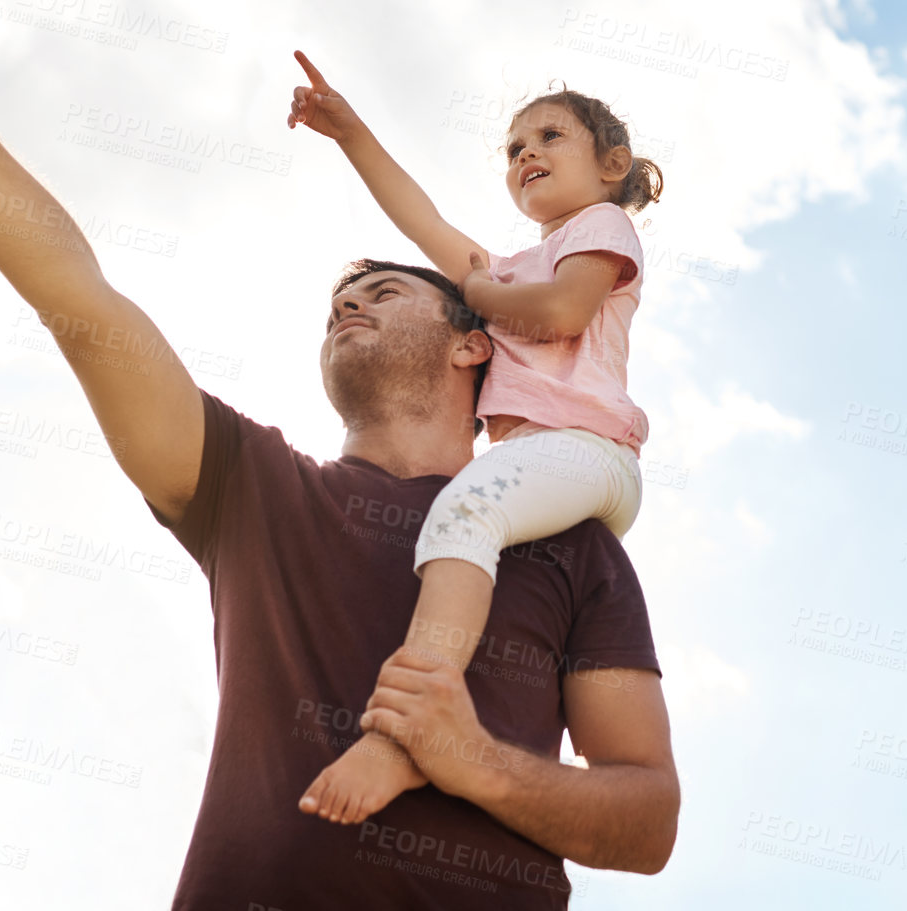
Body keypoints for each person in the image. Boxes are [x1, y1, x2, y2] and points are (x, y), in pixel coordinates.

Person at [0, 0, 679, 909]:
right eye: (341, 297)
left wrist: (466, 759)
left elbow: (646, 821)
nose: (350, 300)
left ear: (473, 340)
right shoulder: (254, 489)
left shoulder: (567, 545)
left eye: (385, 289)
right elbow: (75, 292)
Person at [285, 53, 665, 826]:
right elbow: (417, 218)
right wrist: (348, 131)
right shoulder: (506, 266)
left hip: (585, 448)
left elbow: (559, 312)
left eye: (549, 137)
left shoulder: (599, 225)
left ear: (611, 164)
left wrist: (482, 293)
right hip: (544, 462)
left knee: (462, 515)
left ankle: (400, 733)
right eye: (512, 148)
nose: (525, 154)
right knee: (477, 531)